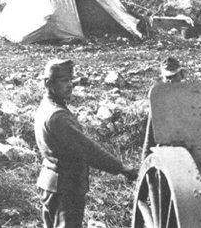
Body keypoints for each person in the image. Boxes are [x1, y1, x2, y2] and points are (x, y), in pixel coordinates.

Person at [34, 58, 137, 228]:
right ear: (48, 84)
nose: (70, 85)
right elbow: (87, 150)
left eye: (70, 79)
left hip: (51, 183)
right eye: (63, 80)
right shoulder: (58, 116)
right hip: (66, 188)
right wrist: (121, 168)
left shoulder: (46, 106)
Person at [141, 57, 185, 159]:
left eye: (174, 76)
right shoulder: (160, 100)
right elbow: (150, 135)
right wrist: (145, 161)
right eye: (168, 77)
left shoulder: (191, 94)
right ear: (163, 78)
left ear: (181, 75)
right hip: (167, 151)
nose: (171, 81)